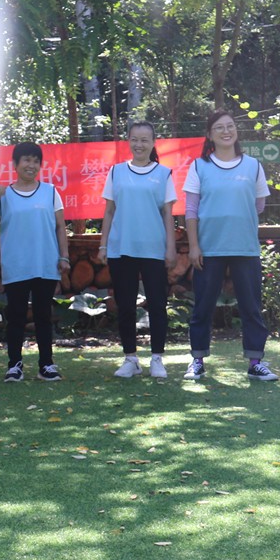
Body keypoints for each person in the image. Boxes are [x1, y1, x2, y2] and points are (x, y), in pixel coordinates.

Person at [183, 110, 277, 382]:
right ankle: (197, 360)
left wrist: (236, 219)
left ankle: (256, 362)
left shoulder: (253, 166)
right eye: (219, 128)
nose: (226, 131)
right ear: (209, 135)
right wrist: (194, 246)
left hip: (245, 248)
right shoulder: (199, 166)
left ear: (236, 130)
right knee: (203, 307)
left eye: (230, 126)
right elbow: (191, 210)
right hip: (209, 249)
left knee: (251, 307)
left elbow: (259, 205)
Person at [0, 142, 70, 383]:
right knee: (16, 317)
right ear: (15, 164)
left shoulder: (50, 191)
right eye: (26, 160)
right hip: (16, 266)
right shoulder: (5, 195)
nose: (31, 165)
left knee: (43, 316)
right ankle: (14, 365)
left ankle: (46, 365)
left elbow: (60, 226)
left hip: (45, 264)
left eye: (35, 161)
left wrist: (64, 256)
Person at [97, 121, 177, 379]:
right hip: (121, 248)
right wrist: (103, 244)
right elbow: (109, 211)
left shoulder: (163, 174)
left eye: (144, 140)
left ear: (153, 143)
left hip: (154, 248)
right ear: (128, 141)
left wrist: (171, 248)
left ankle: (157, 359)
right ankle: (130, 358)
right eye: (135, 139)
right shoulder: (116, 172)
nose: (139, 144)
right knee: (126, 306)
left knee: (157, 304)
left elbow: (168, 214)